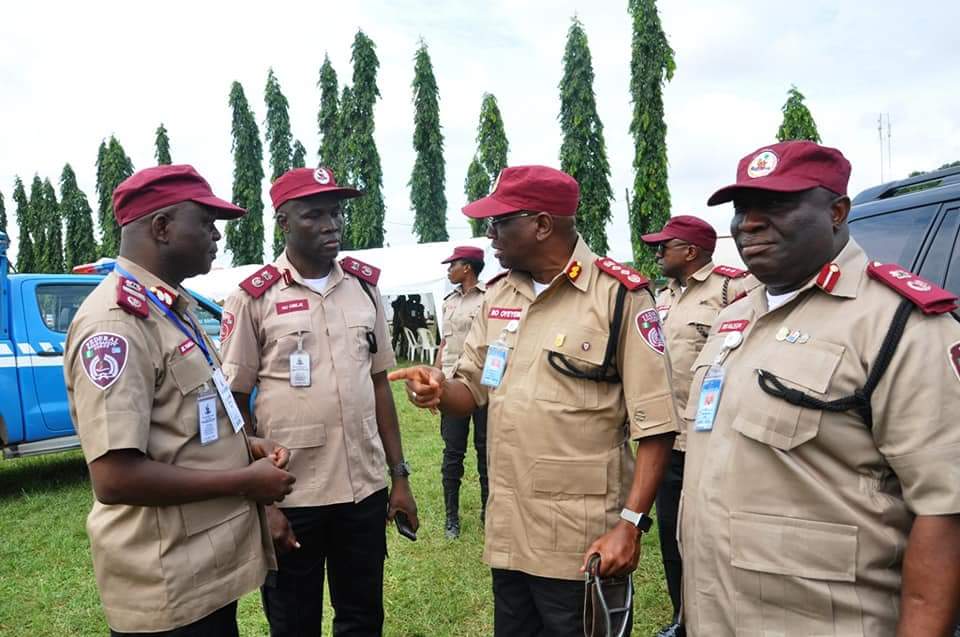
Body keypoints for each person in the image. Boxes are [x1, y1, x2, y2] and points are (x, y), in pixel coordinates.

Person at [681, 141, 960, 636]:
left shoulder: (900, 325)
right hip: (717, 615)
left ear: (836, 211)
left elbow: (945, 509)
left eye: (777, 204)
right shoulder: (734, 318)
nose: (749, 223)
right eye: (743, 208)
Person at [390, 165, 680, 636]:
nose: (490, 235)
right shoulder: (498, 295)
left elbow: (657, 424)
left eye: (500, 222)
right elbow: (473, 389)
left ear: (542, 224)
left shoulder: (619, 298)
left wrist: (630, 524)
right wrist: (441, 391)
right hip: (509, 529)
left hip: (581, 538)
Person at [64, 164, 295, 636]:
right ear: (163, 227)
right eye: (206, 223)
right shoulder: (117, 323)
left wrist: (243, 446)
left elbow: (185, 420)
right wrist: (244, 480)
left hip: (200, 571)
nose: (217, 236)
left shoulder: (169, 310)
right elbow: (114, 477)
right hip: (166, 582)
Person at [219, 166, 418, 636]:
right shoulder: (254, 298)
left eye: (336, 212)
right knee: (294, 623)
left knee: (362, 619)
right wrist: (262, 504)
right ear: (284, 222)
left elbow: (379, 384)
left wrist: (399, 477)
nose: (332, 224)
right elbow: (235, 405)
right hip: (293, 495)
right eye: (314, 215)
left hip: (362, 491)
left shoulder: (365, 288)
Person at [639, 215, 756, 637]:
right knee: (672, 536)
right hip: (671, 438)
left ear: (690, 251)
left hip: (716, 439)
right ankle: (681, 618)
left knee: (719, 537)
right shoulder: (661, 297)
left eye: (664, 245)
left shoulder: (732, 288)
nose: (657, 253)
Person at [434, 245, 489, 538]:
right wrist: (435, 378)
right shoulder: (448, 301)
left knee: (485, 450)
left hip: (482, 384)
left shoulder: (489, 297)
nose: (448, 269)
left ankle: (488, 512)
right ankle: (451, 518)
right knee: (452, 451)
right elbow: (444, 343)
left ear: (466, 267)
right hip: (452, 384)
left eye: (452, 264)